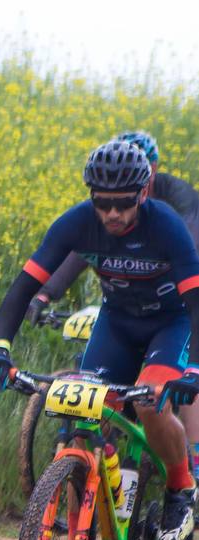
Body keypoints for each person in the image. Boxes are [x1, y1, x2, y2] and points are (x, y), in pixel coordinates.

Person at [0, 139, 199, 540]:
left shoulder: (166, 226)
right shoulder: (77, 223)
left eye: (122, 203)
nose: (112, 213)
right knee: (83, 414)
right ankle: (95, 510)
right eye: (102, 203)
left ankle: (180, 488)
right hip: (116, 324)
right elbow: (24, 287)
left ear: (143, 193)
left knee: (151, 404)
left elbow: (195, 302)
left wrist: (194, 369)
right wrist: (0, 347)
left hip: (170, 323)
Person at [25, 131, 199, 466]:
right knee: (94, 400)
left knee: (182, 381)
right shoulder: (111, 204)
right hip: (126, 303)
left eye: (145, 167)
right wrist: (46, 292)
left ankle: (193, 457)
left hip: (181, 283)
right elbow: (82, 251)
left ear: (154, 168)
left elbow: (188, 244)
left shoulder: (174, 194)